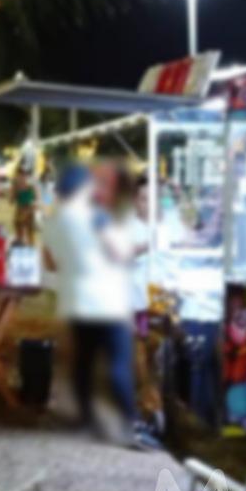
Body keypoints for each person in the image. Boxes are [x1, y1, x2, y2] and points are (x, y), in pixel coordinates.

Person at [40, 163, 145, 448]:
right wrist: (140, 246)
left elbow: (50, 262)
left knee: (83, 362)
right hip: (105, 301)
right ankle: (130, 425)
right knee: (118, 363)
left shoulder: (51, 223)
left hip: (74, 300)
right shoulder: (95, 217)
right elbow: (120, 251)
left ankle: (85, 420)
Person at [104, 170, 163, 449]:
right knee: (134, 364)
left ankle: (153, 417)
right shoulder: (125, 226)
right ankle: (135, 422)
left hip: (159, 305)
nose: (147, 204)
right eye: (142, 198)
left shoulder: (167, 223)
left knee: (154, 364)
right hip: (130, 305)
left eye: (152, 199)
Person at [11, 171, 38, 246]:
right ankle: (21, 242)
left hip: (29, 210)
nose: (21, 179)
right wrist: (14, 190)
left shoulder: (31, 187)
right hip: (20, 210)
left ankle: (30, 245)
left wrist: (34, 207)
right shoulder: (16, 187)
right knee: (18, 226)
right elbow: (11, 201)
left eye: (23, 176)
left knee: (30, 230)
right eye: (19, 177)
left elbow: (37, 199)